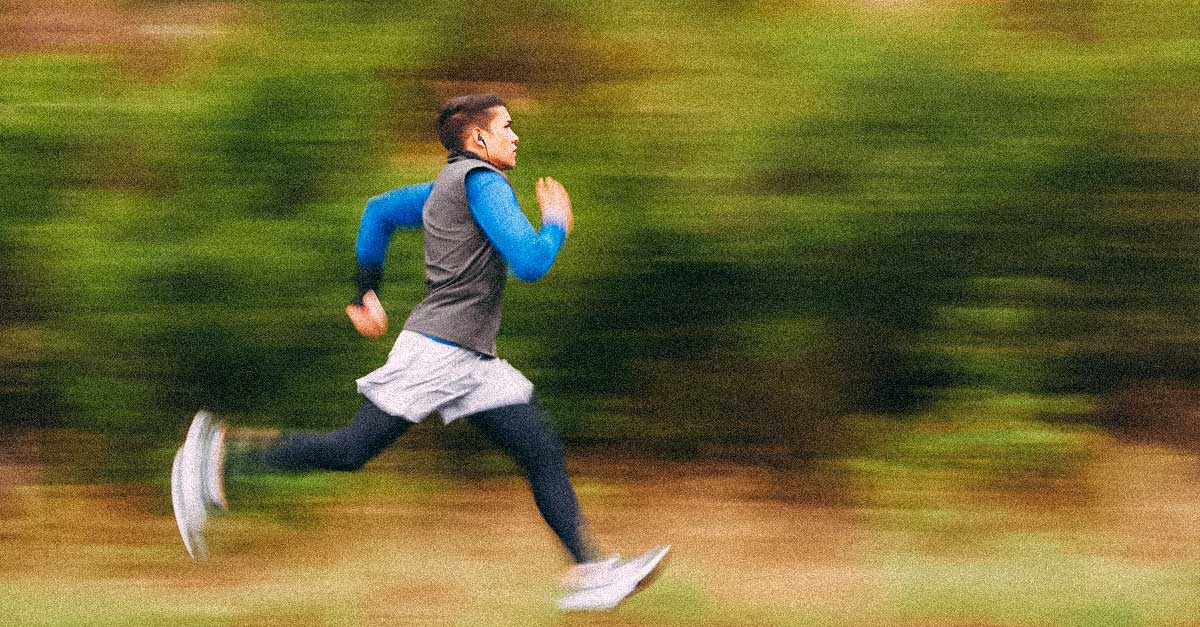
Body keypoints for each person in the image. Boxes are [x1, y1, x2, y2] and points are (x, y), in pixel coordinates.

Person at [170, 93, 668, 611]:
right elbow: (530, 262)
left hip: (472, 358)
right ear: (478, 139)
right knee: (350, 450)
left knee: (538, 446)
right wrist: (556, 224)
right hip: (440, 352)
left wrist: (364, 289)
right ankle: (218, 457)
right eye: (507, 126)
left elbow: (378, 212)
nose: (515, 135)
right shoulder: (483, 183)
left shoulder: (444, 189)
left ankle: (589, 574)